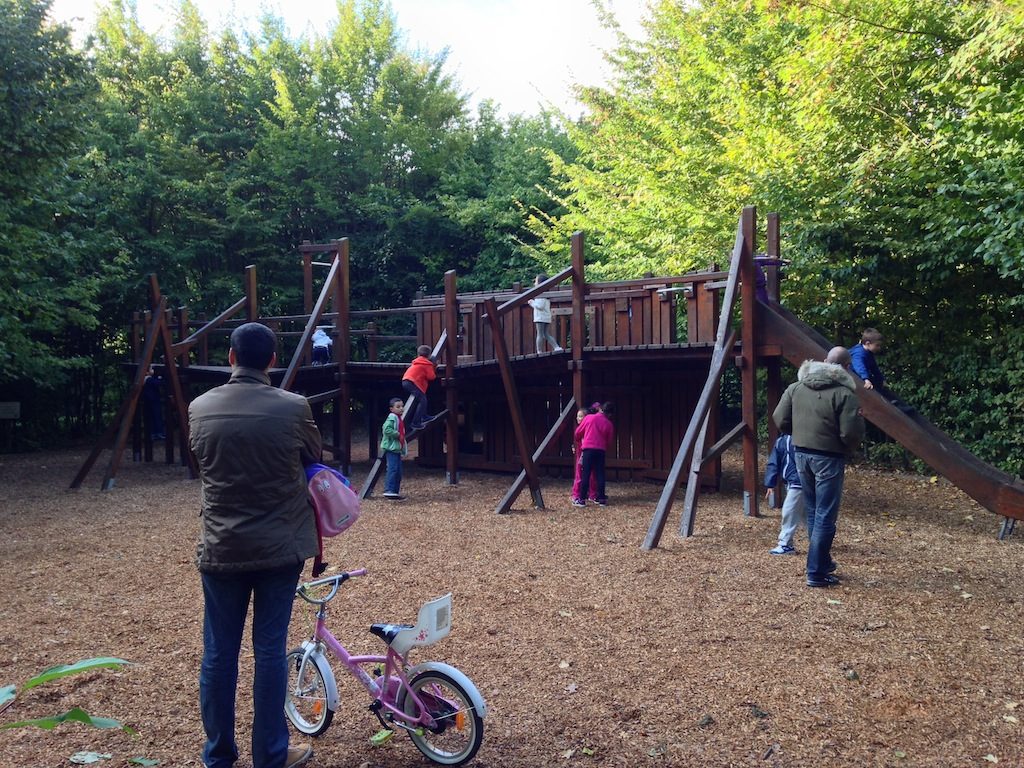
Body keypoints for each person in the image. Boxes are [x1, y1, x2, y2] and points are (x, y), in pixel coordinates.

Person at [188, 322, 321, 768]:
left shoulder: (200, 408)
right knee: (269, 650)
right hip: (280, 547)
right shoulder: (294, 407)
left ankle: (218, 756)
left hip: (221, 545)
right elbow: (313, 457)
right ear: (272, 361)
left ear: (230, 357)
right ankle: (270, 755)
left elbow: (202, 460)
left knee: (218, 653)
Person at [773, 347, 864, 588]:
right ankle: (815, 571)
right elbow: (850, 432)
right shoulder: (845, 394)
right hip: (829, 456)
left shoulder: (796, 388)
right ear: (846, 367)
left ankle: (821, 564)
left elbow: (780, 419)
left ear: (825, 362)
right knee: (825, 513)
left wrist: (799, 433)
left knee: (813, 510)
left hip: (801, 454)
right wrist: (847, 447)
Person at [848, 328, 915, 414]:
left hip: (861, 376)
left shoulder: (869, 353)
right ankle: (890, 405)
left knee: (879, 384)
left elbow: (874, 368)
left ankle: (895, 404)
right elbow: (859, 367)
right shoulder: (859, 353)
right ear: (868, 343)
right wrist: (866, 379)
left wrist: (882, 380)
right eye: (877, 345)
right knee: (873, 388)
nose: (879, 348)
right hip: (854, 377)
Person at [764, 432, 803, 555]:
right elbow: (774, 462)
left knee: (789, 510)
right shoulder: (782, 441)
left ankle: (785, 544)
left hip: (798, 482)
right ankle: (819, 541)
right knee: (806, 514)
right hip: (793, 481)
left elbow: (774, 462)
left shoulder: (798, 440)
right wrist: (771, 483)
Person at [573, 401, 614, 507]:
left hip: (588, 449)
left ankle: (581, 500)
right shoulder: (609, 424)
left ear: (601, 409)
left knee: (585, 473)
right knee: (600, 474)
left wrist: (579, 441)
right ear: (610, 414)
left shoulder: (589, 418)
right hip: (600, 450)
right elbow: (609, 441)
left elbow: (578, 432)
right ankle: (601, 499)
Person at [402, 344, 437, 431]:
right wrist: (433, 366)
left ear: (418, 354)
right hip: (412, 382)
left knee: (421, 399)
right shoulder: (427, 364)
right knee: (423, 400)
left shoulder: (417, 361)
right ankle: (416, 422)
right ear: (429, 355)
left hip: (406, 380)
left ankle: (424, 416)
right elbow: (431, 377)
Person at [380, 397, 408, 501]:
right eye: (398, 407)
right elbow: (386, 429)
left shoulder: (398, 418)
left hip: (396, 448)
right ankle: (389, 490)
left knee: (398, 471)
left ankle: (394, 492)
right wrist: (397, 434)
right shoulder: (392, 417)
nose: (401, 408)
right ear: (392, 409)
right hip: (391, 448)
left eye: (402, 406)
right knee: (392, 469)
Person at [527, 274, 563, 354]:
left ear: (540, 283)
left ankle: (539, 351)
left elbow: (540, 306)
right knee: (546, 334)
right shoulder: (546, 294)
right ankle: (556, 347)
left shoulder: (540, 294)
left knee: (539, 334)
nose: (534, 283)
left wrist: (532, 303)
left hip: (540, 317)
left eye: (536, 281)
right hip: (546, 317)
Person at [571, 404, 599, 504]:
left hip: (588, 454)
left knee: (592, 475)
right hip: (581, 455)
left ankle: (592, 494)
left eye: (580, 416)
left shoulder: (589, 429)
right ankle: (576, 494)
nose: (578, 418)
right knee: (579, 475)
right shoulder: (580, 429)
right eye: (577, 416)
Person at [142, 365, 165, 440]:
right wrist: (160, 378)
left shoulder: (147, 379)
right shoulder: (148, 379)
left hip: (150, 400)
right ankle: (158, 433)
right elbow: (158, 383)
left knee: (153, 417)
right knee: (156, 416)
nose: (153, 370)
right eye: (151, 369)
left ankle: (154, 433)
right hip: (153, 400)